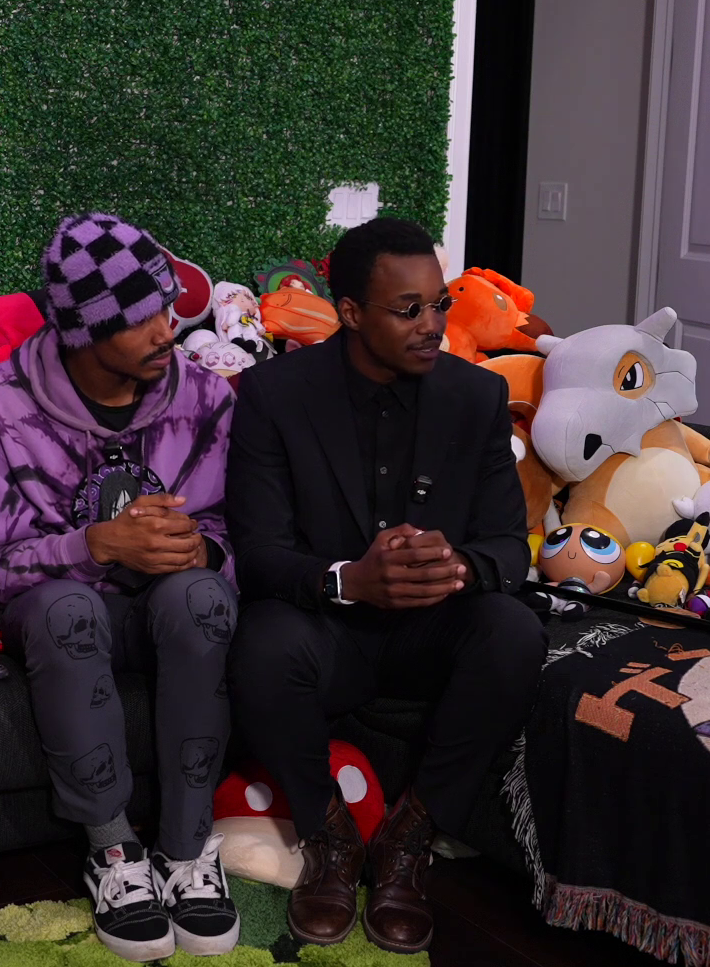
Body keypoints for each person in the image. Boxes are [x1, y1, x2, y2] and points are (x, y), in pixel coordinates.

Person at [224, 217, 546, 953]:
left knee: (513, 631)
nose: (433, 324)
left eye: (439, 304)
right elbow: (259, 553)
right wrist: (350, 580)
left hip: (433, 625)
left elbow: (508, 546)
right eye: (409, 310)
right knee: (262, 644)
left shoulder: (476, 396)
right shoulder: (275, 394)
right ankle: (328, 836)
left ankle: (411, 837)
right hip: (327, 627)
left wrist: (455, 567)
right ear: (349, 312)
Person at [0, 213, 241, 962]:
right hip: (59, 613)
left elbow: (237, 532)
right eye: (140, 317)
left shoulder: (206, 398)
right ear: (82, 330)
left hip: (164, 611)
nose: (167, 329)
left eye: (166, 306)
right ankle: (114, 853)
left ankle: (187, 849)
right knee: (68, 605)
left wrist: (202, 548)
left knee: (201, 595)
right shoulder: (2, 400)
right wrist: (94, 545)